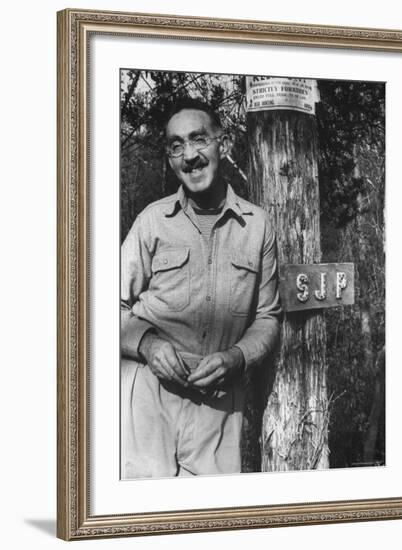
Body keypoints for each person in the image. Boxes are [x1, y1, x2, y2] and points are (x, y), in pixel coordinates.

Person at [120, 97, 281, 479]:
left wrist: (236, 358)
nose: (189, 155)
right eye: (177, 146)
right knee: (141, 519)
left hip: (219, 405)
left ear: (221, 144)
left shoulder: (257, 227)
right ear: (169, 158)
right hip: (149, 397)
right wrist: (147, 344)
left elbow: (268, 317)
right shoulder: (152, 222)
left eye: (198, 139)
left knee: (209, 520)